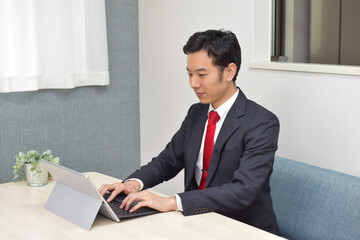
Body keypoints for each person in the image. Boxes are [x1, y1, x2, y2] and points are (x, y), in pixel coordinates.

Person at [99, 29, 281, 235]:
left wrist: (172, 201)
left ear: (229, 72)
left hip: (242, 229)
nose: (193, 83)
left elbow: (243, 190)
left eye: (202, 75)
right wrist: (133, 184)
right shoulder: (197, 112)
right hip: (198, 223)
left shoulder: (262, 122)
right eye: (189, 74)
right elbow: (168, 160)